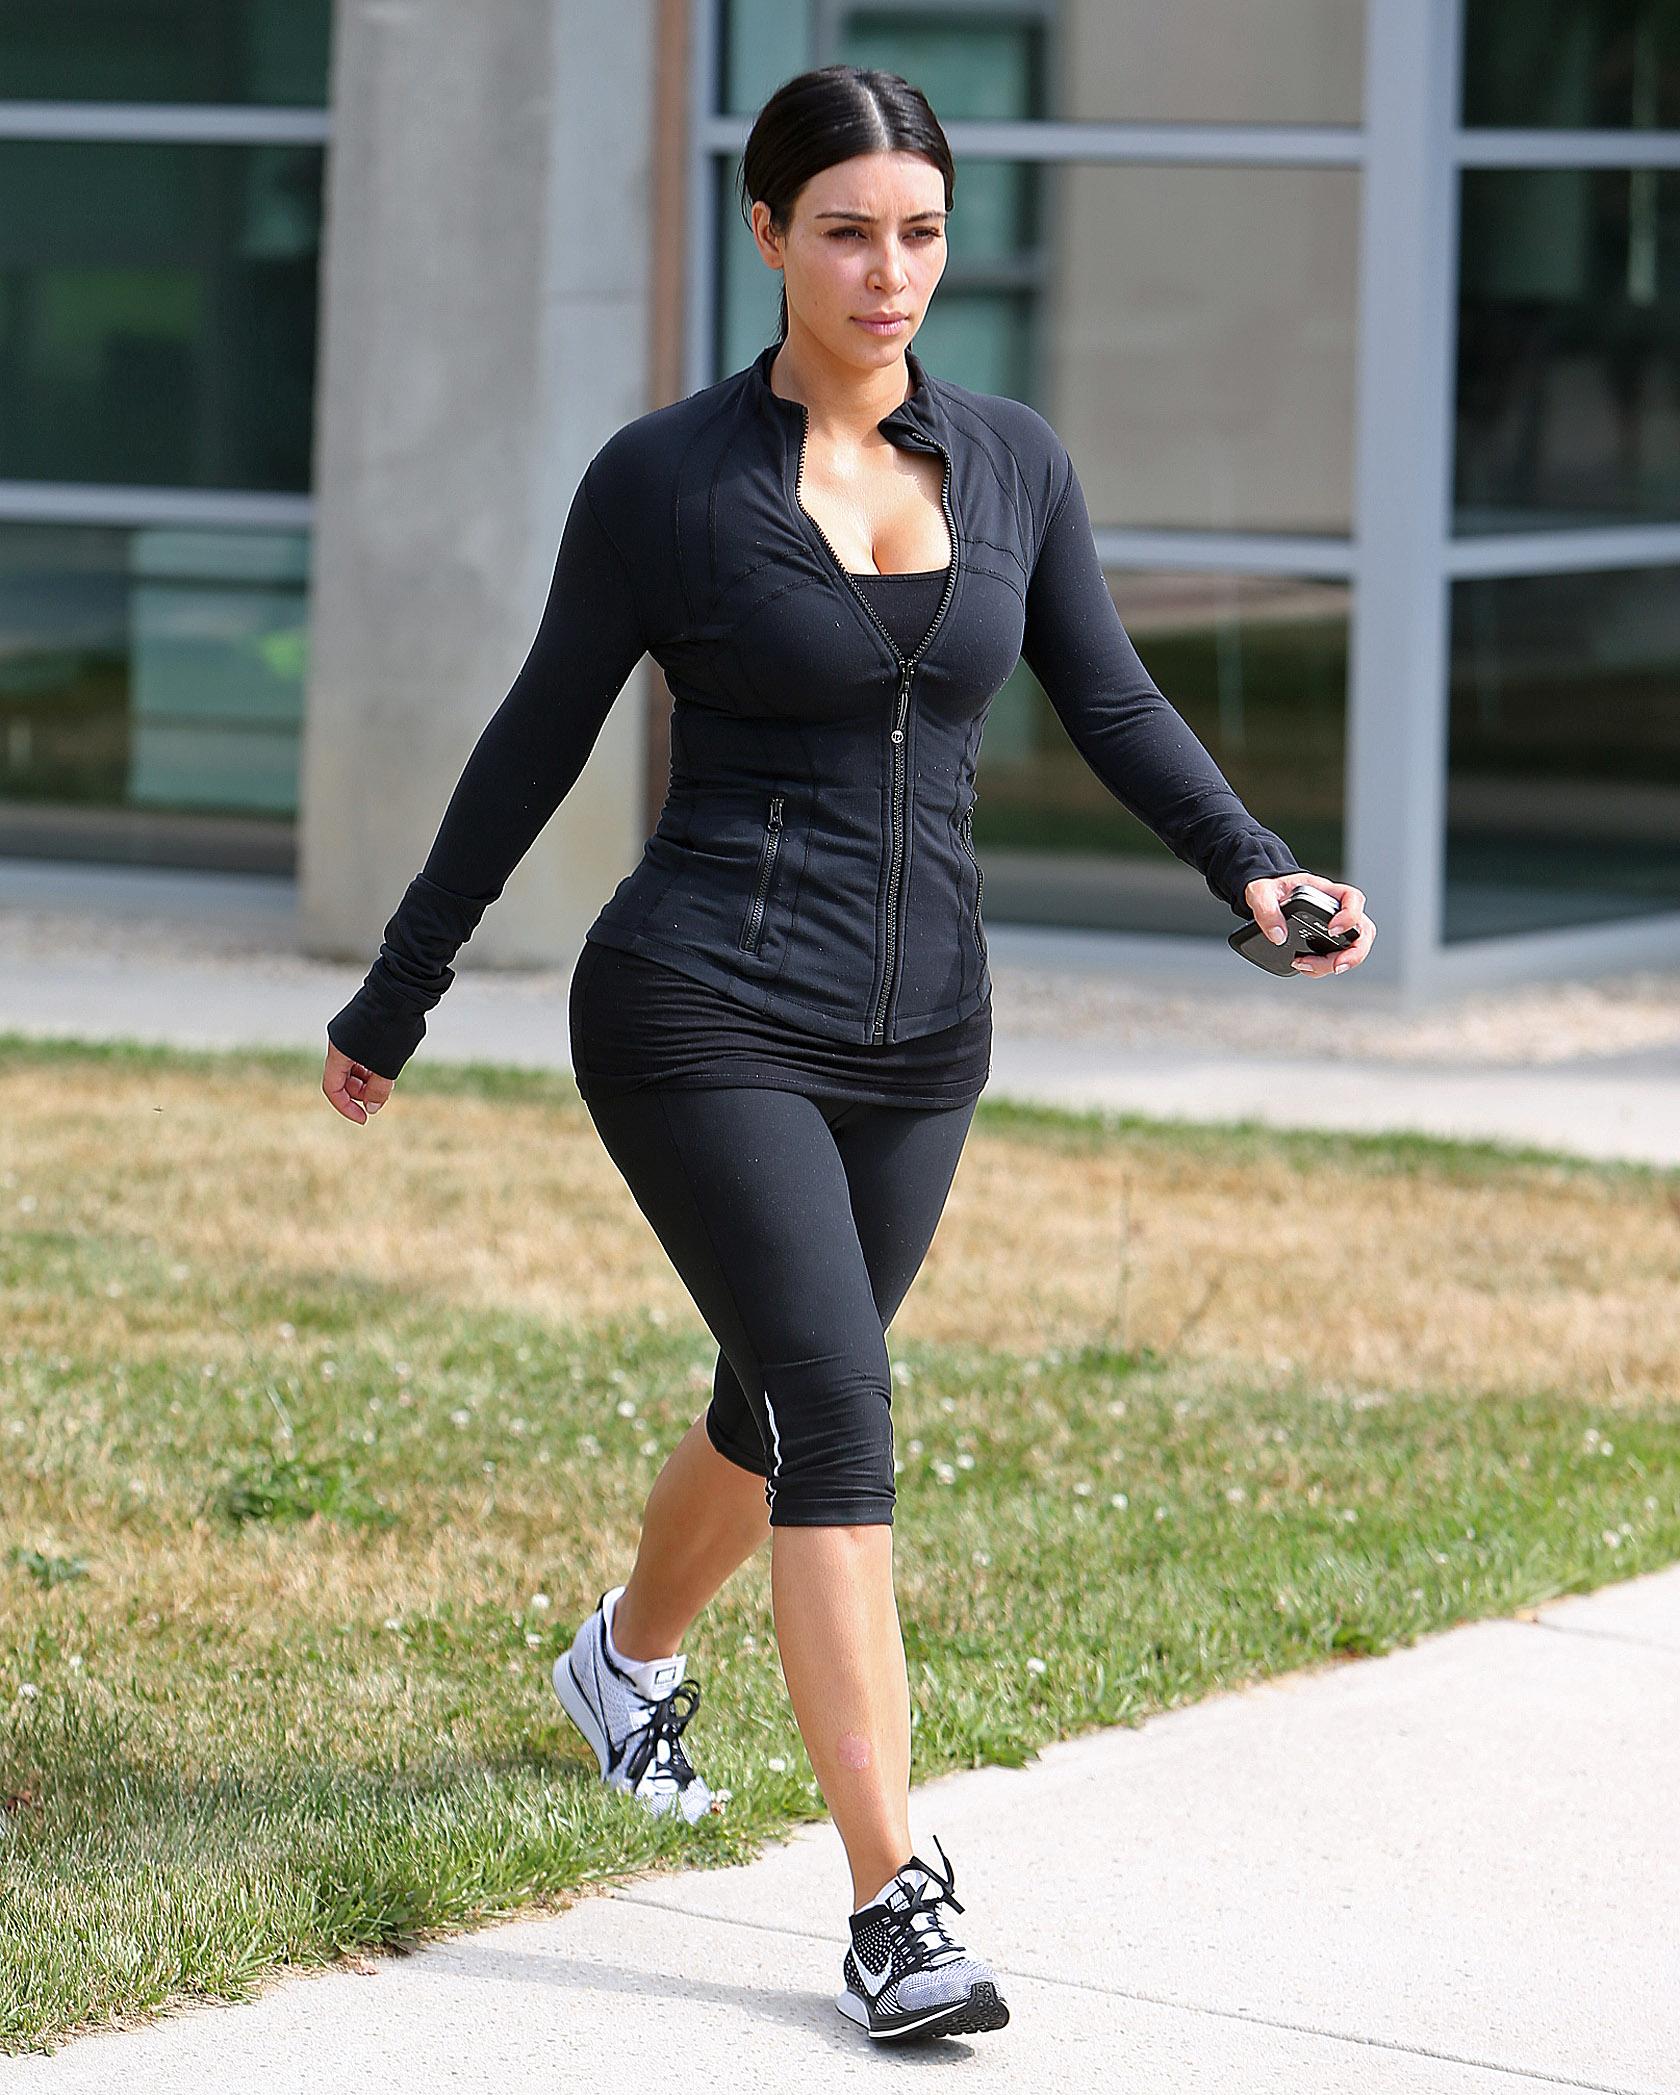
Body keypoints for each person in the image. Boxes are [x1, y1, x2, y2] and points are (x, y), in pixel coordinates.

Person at [320, 63, 1374, 2045]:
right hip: (698, 1001)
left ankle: (621, 1662)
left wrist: (1258, 871)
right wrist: (402, 989)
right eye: (844, 232)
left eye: (919, 232)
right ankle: (898, 1899)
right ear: (768, 236)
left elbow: (1114, 698)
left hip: (923, 1031)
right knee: (842, 1403)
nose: (888, 271)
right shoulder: (666, 484)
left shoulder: (1013, 464)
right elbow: (534, 742)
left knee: (772, 1400)